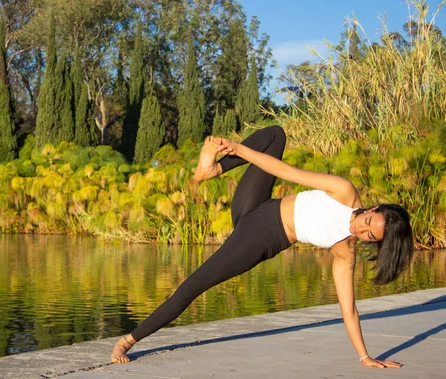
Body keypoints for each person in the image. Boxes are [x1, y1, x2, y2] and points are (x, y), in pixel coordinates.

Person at [110, 125, 413, 368]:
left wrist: (364, 356)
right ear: (374, 207)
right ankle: (211, 171)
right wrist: (238, 149)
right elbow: (285, 172)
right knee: (274, 135)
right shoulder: (344, 191)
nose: (364, 229)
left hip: (258, 241)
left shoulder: (344, 251)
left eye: (371, 236)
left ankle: (128, 340)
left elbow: (349, 310)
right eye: (371, 221)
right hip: (255, 206)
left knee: (193, 286)